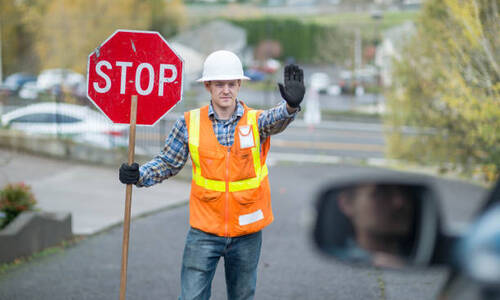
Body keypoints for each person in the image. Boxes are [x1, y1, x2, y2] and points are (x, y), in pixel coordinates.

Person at [119, 50, 305, 300]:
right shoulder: (189, 123)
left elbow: (277, 118)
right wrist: (139, 175)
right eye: (219, 83)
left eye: (231, 83)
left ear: (239, 85)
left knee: (242, 296)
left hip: (246, 232)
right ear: (208, 86)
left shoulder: (255, 122)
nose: (226, 90)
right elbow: (168, 163)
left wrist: (291, 106)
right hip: (204, 230)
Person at [336, 184, 416, 268]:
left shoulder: (422, 256)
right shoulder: (337, 264)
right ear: (346, 203)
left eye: (405, 191)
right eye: (381, 192)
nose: (400, 202)